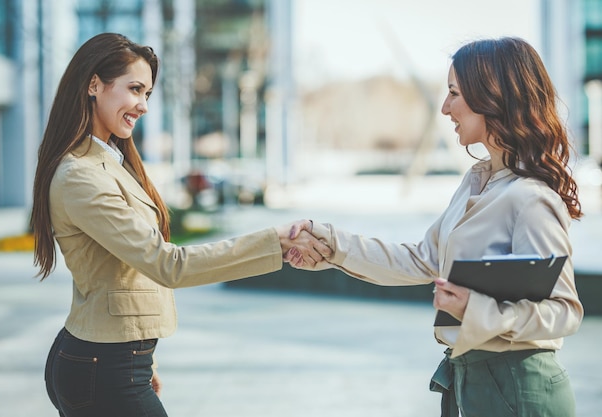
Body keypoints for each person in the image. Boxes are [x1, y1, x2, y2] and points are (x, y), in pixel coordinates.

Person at [30, 32, 329, 417]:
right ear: (94, 85)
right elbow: (167, 265)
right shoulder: (81, 176)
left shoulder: (107, 162)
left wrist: (142, 359)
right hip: (103, 367)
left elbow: (111, 271)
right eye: (134, 89)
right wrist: (275, 242)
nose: (143, 105)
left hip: (111, 360)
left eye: (148, 94)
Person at [286, 37, 584, 417]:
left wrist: (477, 310)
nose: (445, 108)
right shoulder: (476, 182)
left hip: (520, 388)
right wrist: (331, 244)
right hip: (474, 383)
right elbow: (420, 260)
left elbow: (564, 311)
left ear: (492, 97)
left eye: (454, 93)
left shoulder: (530, 198)